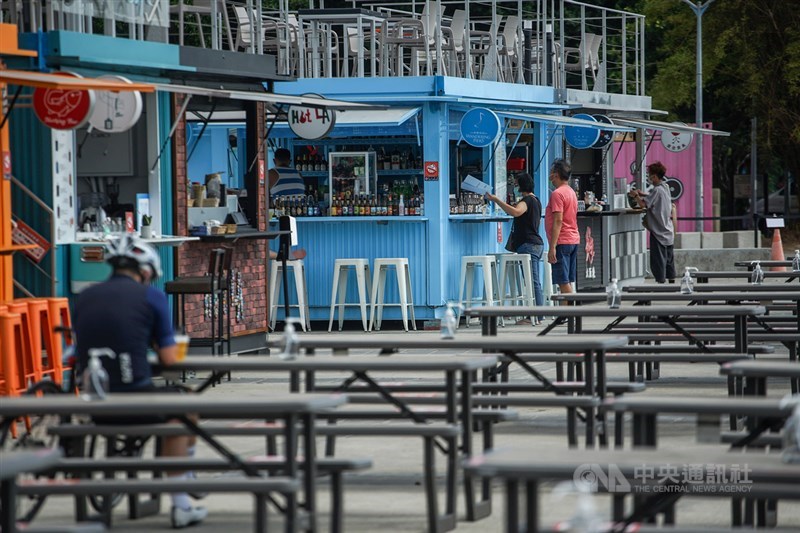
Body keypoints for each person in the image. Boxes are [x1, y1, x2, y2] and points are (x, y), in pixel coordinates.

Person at [73, 235, 207, 529]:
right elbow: (170, 359)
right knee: (185, 408)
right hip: (136, 397)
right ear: (145, 272)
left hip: (95, 404)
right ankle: (183, 497)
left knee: (174, 404)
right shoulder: (152, 296)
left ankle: (185, 475)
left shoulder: (85, 297)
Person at [485, 172, 545, 324]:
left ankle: (536, 315)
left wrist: (496, 200)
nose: (515, 188)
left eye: (517, 185)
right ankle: (536, 314)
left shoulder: (527, 200)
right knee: (533, 280)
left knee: (532, 281)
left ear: (522, 185)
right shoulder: (536, 200)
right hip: (535, 244)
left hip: (529, 244)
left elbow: (516, 212)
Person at [629, 161, 676, 283]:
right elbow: (654, 197)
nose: (649, 178)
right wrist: (642, 193)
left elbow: (644, 204)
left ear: (654, 176)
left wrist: (635, 196)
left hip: (658, 231)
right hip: (668, 230)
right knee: (669, 259)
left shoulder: (657, 190)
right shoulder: (665, 187)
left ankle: (660, 283)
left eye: (650, 175)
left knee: (658, 260)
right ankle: (671, 281)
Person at [544, 159, 580, 298]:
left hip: (562, 241)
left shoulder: (557, 194)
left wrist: (552, 246)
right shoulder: (571, 192)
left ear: (556, 174)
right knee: (566, 280)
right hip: (572, 239)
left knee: (563, 281)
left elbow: (558, 220)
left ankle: (572, 313)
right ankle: (564, 315)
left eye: (552, 173)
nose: (550, 177)